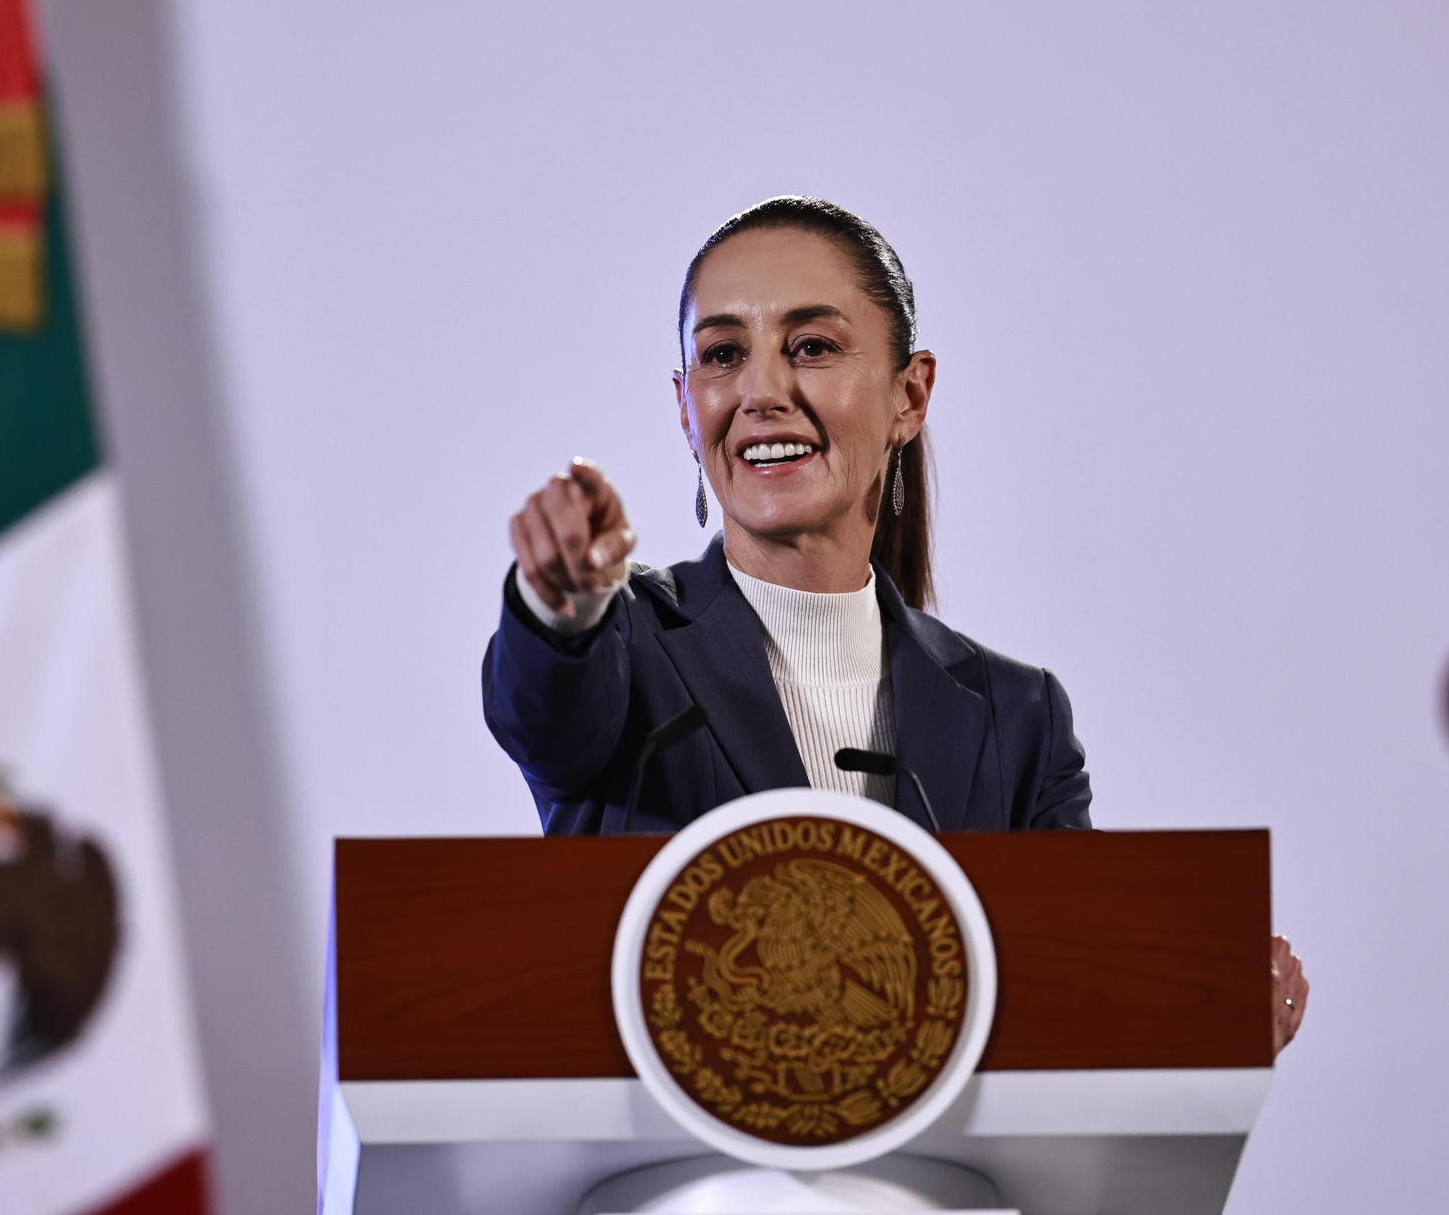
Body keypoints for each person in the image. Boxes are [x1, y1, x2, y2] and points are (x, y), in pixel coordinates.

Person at [482, 196, 1308, 1052]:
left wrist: (1202, 1023)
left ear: (910, 395)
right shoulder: (625, 647)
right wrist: (560, 603)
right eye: (724, 354)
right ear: (687, 407)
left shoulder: (1015, 720)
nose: (762, 390)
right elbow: (545, 710)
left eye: (812, 347)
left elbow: (1068, 1014)